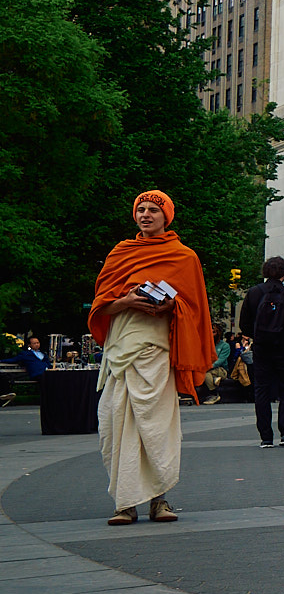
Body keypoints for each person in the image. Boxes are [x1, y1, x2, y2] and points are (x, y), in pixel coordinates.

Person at [90, 190, 209, 526]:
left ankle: (159, 500)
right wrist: (127, 301)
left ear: (166, 216)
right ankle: (125, 504)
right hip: (121, 352)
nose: (145, 215)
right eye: (140, 210)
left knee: (155, 427)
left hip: (157, 351)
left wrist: (172, 305)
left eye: (153, 210)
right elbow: (102, 307)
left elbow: (195, 310)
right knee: (114, 425)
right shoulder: (120, 254)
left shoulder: (184, 257)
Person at [240, 258, 284, 447]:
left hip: (262, 348)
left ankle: (266, 437)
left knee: (261, 389)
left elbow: (245, 323)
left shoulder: (253, 293)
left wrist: (258, 335)